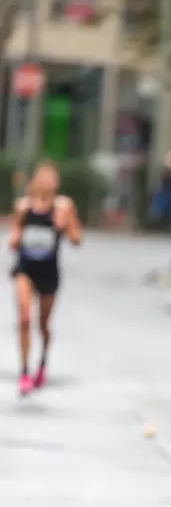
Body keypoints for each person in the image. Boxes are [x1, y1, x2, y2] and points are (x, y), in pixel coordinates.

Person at [9, 161, 82, 396]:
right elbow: (14, 238)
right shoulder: (23, 206)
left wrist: (64, 227)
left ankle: (42, 362)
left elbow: (77, 239)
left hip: (48, 271)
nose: (47, 182)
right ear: (35, 180)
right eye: (43, 177)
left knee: (42, 325)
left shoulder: (64, 207)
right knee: (24, 318)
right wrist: (16, 238)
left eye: (51, 178)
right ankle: (24, 371)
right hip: (25, 268)